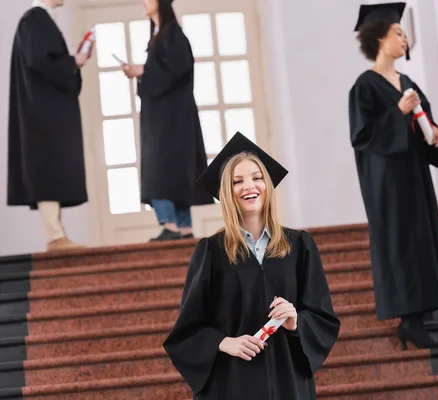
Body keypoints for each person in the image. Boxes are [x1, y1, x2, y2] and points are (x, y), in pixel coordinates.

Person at [163, 132, 340, 399]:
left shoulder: (299, 246)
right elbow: (187, 330)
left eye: (257, 178)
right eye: (238, 181)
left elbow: (323, 317)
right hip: (231, 384)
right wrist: (224, 342)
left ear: (267, 185)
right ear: (226, 192)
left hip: (287, 382)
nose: (250, 186)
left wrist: (295, 322)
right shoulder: (212, 252)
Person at [348, 2, 438, 350]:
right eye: (398, 32)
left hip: (413, 174)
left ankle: (422, 317)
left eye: (405, 33)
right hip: (387, 182)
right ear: (379, 37)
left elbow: (422, 120)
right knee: (400, 242)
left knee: (421, 238)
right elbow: (362, 137)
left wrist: (434, 134)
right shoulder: (364, 86)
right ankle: (409, 320)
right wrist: (397, 113)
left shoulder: (407, 81)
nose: (405, 38)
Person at [123, 0, 213, 242]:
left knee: (162, 171)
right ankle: (182, 227)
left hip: (171, 121)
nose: (144, 1)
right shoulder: (160, 34)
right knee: (172, 171)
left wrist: (144, 71)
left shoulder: (172, 34)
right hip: (167, 119)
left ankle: (173, 225)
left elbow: (177, 69)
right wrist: (144, 71)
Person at [7, 0, 92, 252]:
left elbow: (47, 61)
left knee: (50, 173)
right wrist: (74, 61)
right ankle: (54, 236)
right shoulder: (35, 18)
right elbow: (40, 60)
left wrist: (70, 61)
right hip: (43, 116)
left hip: (44, 114)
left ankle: (57, 234)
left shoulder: (38, 19)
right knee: (46, 172)